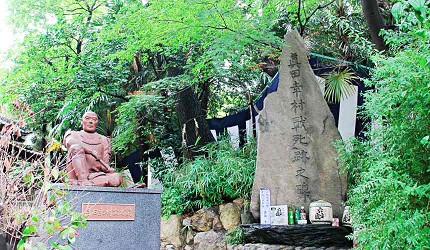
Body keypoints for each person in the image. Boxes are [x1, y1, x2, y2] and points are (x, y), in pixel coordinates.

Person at [63, 111, 122, 186]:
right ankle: (82, 180)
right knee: (76, 148)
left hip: (94, 176)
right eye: (87, 118)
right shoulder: (74, 134)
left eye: (94, 119)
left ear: (97, 123)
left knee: (116, 178)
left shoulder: (104, 140)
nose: (91, 121)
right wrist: (89, 151)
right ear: (82, 121)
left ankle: (91, 184)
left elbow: (104, 164)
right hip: (77, 176)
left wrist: (107, 169)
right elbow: (70, 142)